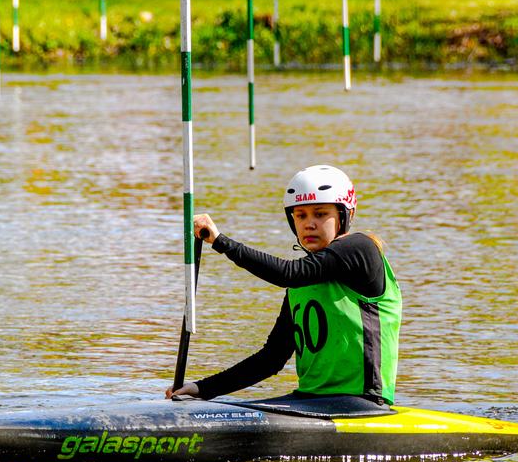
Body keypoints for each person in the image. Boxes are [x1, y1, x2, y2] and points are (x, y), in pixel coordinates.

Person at [166, 164, 402, 408]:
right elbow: (271, 359)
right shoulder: (301, 284)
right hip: (309, 402)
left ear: (345, 215)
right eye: (300, 216)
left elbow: (288, 273)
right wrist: (201, 390)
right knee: (228, 410)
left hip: (363, 404)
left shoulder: (361, 248)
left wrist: (221, 242)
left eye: (320, 214)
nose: (309, 224)